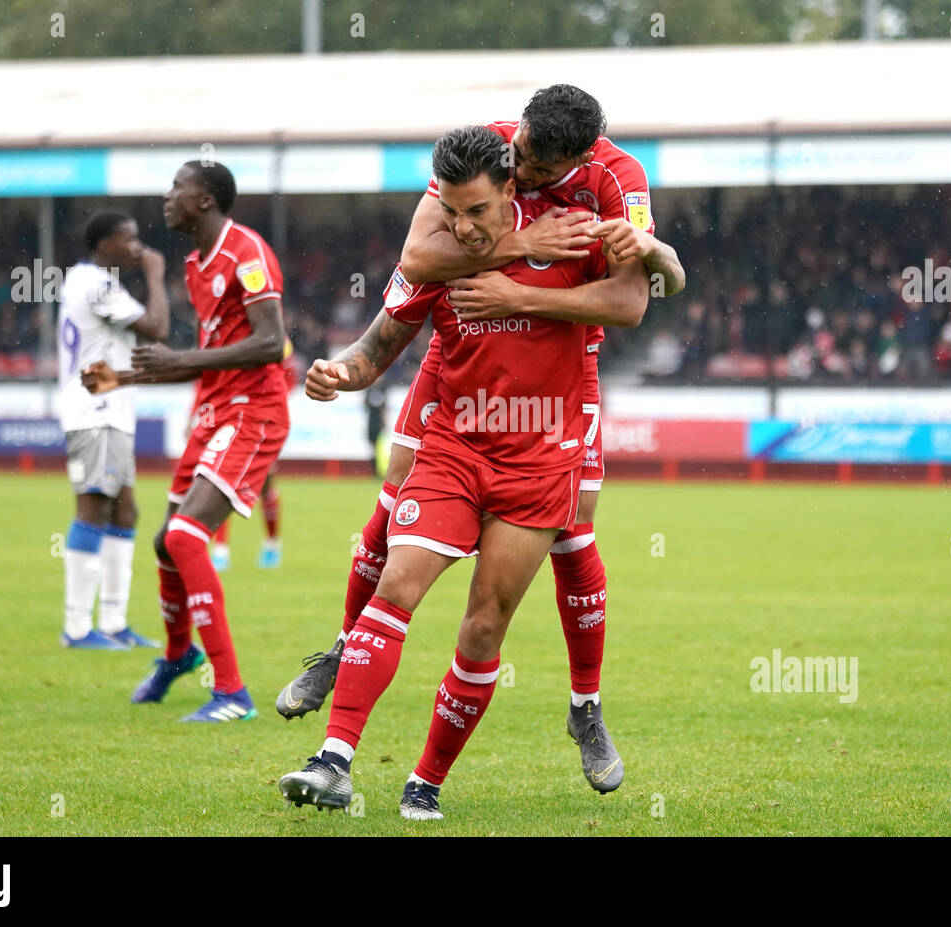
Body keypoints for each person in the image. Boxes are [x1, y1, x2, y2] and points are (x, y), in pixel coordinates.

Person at [276, 85, 683, 794]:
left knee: (570, 537)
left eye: (532, 159)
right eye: (516, 149)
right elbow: (414, 261)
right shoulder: (484, 158)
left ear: (577, 158)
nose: (517, 163)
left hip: (556, 394)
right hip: (457, 388)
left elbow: (638, 295)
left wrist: (649, 258)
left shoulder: (612, 188)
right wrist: (509, 246)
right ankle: (347, 656)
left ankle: (583, 706)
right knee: (396, 500)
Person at [82, 161, 289, 721]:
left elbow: (273, 343)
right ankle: (177, 656)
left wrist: (184, 359)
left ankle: (232, 693)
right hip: (214, 410)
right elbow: (199, 361)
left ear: (205, 200)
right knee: (164, 545)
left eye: (178, 186)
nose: (168, 196)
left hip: (254, 412)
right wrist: (123, 377)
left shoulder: (245, 251)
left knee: (187, 536)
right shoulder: (197, 264)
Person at [56, 212, 169, 650]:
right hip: (94, 411)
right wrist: (156, 275)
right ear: (105, 244)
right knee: (93, 508)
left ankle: (114, 623)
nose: (138, 247)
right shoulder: (95, 283)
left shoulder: (101, 283)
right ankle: (77, 628)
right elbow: (158, 329)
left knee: (125, 512)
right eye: (130, 239)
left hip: (113, 410)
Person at [210, 337, 297, 570]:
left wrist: (272, 404)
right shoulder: (227, 334)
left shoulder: (276, 338)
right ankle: (221, 550)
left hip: (263, 422)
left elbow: (290, 377)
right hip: (230, 418)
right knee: (219, 479)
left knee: (265, 484)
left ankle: (271, 544)